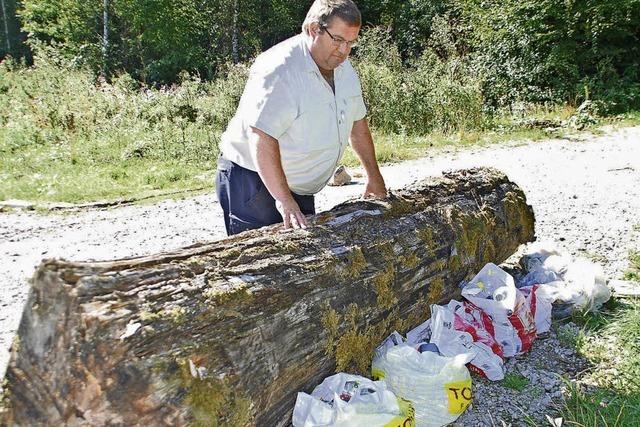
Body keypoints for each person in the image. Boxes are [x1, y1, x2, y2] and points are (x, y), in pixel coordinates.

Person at [216, 0, 387, 236]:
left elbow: (357, 125)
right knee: (262, 264)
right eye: (337, 40)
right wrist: (284, 199)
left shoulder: (344, 69)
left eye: (351, 42)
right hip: (253, 182)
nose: (344, 51)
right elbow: (261, 136)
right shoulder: (280, 69)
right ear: (313, 28)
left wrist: (374, 176)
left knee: (302, 261)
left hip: (298, 187)